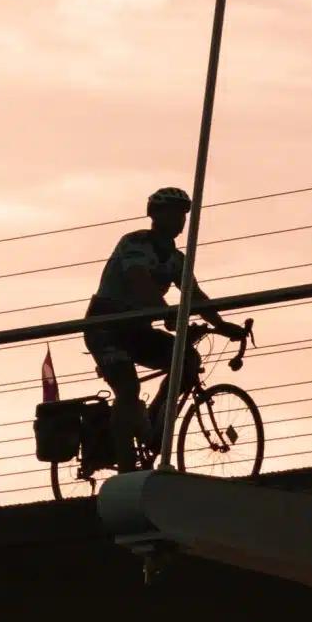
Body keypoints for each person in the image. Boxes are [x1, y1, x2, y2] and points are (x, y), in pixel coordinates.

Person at [84, 185, 234, 440]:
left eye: (182, 214)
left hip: (137, 330)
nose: (179, 220)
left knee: (187, 360)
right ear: (155, 215)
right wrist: (167, 313)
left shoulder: (176, 259)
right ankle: (124, 460)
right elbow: (138, 280)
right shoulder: (135, 242)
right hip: (105, 328)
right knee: (128, 389)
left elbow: (194, 295)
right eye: (172, 213)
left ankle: (153, 425)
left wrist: (221, 324)